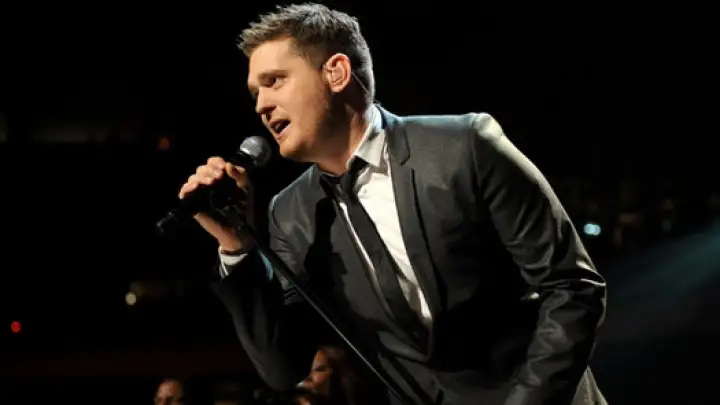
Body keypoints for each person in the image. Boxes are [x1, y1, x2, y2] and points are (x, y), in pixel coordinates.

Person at [178, 3, 608, 404]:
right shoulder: (290, 213)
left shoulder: (464, 147)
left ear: (337, 72)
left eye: (274, 81)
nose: (261, 104)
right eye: (255, 92)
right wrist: (237, 246)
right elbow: (282, 367)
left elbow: (572, 287)